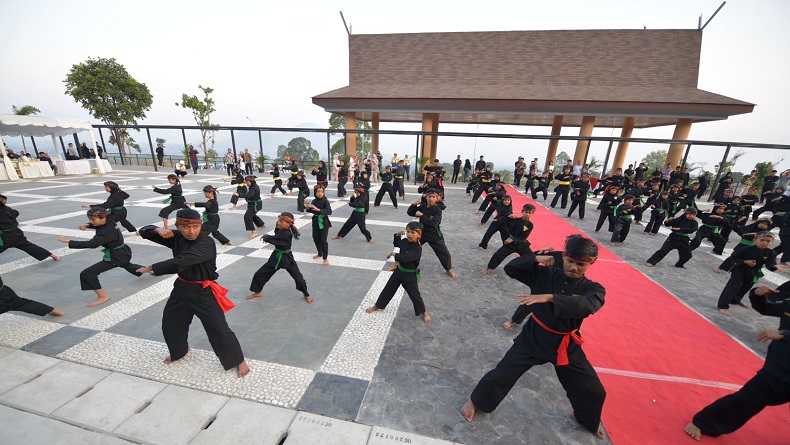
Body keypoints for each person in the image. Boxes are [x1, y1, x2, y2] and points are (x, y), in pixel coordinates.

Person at [462, 235, 607, 440]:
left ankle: (584, 417)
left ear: (591, 263)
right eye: (570, 261)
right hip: (534, 337)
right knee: (500, 375)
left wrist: (550, 297)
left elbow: (589, 305)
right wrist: (535, 258)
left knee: (594, 391)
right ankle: (476, 401)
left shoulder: (592, 289)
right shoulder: (546, 275)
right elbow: (511, 269)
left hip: (565, 345)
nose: (574, 267)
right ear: (564, 256)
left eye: (581, 264)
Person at [137, 208, 250, 377]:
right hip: (181, 288)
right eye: (186, 228)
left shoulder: (206, 243)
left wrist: (153, 268)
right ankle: (180, 351)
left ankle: (238, 360)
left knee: (218, 328)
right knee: (171, 324)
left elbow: (182, 261)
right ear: (179, 227)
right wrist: (157, 229)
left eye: (196, 227)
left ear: (200, 225)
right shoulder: (176, 238)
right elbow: (144, 232)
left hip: (203, 292)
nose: (191, 231)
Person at [685, 283, 790, 441]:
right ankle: (705, 422)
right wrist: (758, 295)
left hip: (783, 343)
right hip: (782, 363)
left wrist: (785, 334)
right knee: (751, 396)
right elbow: (767, 308)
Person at [59, 207, 143, 307]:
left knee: (87, 273)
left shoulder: (106, 231)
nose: (91, 221)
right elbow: (98, 225)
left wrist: (68, 241)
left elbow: (91, 244)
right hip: (123, 252)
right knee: (127, 264)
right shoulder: (109, 220)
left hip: (116, 256)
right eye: (90, 219)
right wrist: (87, 225)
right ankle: (151, 270)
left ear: (103, 219)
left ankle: (103, 296)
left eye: (93, 219)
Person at [366, 222, 431, 323]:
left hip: (409, 275)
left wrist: (394, 254)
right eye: (408, 231)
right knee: (388, 289)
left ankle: (424, 312)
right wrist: (397, 235)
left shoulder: (417, 249)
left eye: (412, 232)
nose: (409, 234)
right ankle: (377, 306)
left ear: (419, 234)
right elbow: (397, 244)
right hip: (399, 271)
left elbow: (406, 258)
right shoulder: (404, 241)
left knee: (415, 295)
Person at [246, 212, 313, 304]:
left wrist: (266, 237)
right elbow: (277, 236)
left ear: (289, 223)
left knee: (299, 279)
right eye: (278, 220)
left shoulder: (287, 234)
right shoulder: (280, 229)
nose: (278, 223)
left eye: (281, 221)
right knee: (260, 274)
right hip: (276, 256)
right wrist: (275, 229)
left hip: (286, 258)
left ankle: (306, 294)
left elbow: (277, 240)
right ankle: (257, 292)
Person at [715, 232, 786, 316]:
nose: (764, 243)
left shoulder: (771, 253)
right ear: (755, 240)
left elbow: (770, 264)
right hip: (740, 270)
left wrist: (775, 265)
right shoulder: (745, 249)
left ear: (772, 242)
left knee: (745, 287)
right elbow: (734, 257)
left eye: (768, 241)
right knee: (733, 288)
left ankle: (736, 300)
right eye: (762, 240)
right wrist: (745, 261)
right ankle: (723, 306)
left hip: (754, 272)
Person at [407, 189, 458, 278]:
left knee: (444, 254)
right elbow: (410, 212)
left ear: (437, 198)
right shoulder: (422, 206)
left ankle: (448, 269)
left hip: (434, 235)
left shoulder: (438, 210)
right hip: (421, 233)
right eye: (429, 196)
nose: (431, 199)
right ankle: (400, 262)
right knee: (409, 247)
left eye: (433, 197)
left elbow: (434, 223)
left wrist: (422, 215)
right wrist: (414, 204)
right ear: (426, 197)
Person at [0, 194, 60, 262]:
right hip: (16, 234)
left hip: (4, 237)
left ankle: (53, 256)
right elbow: (16, 213)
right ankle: (54, 256)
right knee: (29, 247)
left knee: (28, 246)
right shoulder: (6, 209)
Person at [482, 204, 535, 275]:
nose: (527, 214)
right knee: (498, 255)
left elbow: (524, 237)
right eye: (526, 212)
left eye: (529, 213)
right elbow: (503, 221)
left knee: (530, 257)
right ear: (522, 212)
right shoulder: (514, 220)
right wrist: (507, 216)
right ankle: (488, 268)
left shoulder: (530, 225)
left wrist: (513, 240)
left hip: (521, 244)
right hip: (510, 244)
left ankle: (532, 271)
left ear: (532, 214)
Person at [305, 185, 332, 266]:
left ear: (323, 192)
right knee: (316, 238)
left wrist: (319, 210)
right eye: (318, 192)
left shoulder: (325, 201)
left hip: (324, 222)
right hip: (316, 222)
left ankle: (325, 257)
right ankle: (319, 253)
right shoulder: (314, 201)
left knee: (323, 241)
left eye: (321, 192)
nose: (320, 193)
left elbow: (329, 211)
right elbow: (313, 211)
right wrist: (307, 208)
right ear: (315, 192)